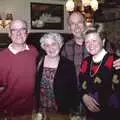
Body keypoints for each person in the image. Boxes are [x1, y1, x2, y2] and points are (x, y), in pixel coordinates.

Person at [34, 33, 78, 120]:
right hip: (41, 109)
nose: (51, 48)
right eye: (47, 45)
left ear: (60, 45)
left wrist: (72, 111)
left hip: (61, 110)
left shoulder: (68, 65)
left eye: (54, 44)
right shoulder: (38, 60)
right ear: (43, 47)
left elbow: (73, 91)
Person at [79, 26, 120, 120]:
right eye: (87, 42)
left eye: (94, 40)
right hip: (90, 115)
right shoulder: (85, 62)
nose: (90, 45)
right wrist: (84, 96)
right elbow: (81, 85)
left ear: (103, 41)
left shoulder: (116, 61)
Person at [0, 20, 38, 119]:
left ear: (27, 32)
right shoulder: (1, 57)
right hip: (8, 112)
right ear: (9, 33)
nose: (19, 33)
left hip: (31, 111)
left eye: (22, 29)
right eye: (14, 30)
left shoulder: (34, 51)